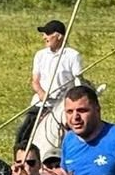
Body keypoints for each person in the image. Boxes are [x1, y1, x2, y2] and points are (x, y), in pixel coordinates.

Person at [23, 20, 83, 156]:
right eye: (43, 34)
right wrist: (41, 93)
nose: (44, 37)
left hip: (62, 105)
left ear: (59, 36)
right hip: (41, 103)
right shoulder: (40, 55)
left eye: (47, 34)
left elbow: (78, 81)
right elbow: (35, 81)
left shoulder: (73, 55)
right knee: (23, 131)